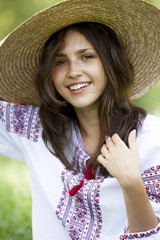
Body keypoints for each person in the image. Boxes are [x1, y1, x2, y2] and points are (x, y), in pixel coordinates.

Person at [0, 0, 160, 239]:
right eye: (60, 61)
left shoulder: (152, 141)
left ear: (111, 63)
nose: (73, 71)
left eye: (87, 56)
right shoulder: (37, 129)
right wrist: (8, 48)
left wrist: (131, 183)